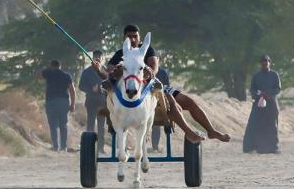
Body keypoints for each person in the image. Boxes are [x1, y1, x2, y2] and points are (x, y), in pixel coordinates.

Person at [91, 24, 231, 145]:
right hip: (131, 92)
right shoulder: (120, 54)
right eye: (129, 37)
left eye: (135, 36)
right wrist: (98, 70)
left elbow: (154, 68)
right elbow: (108, 74)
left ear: (139, 38)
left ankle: (211, 131)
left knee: (189, 102)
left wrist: (147, 73)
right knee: (170, 100)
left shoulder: (147, 49)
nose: (133, 39)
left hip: (151, 86)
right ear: (124, 39)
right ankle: (188, 132)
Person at [243, 55, 282, 154]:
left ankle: (273, 148)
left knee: (272, 125)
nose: (265, 63)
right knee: (254, 124)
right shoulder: (256, 76)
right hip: (258, 104)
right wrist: (259, 94)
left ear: (270, 62)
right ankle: (251, 147)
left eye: (266, 61)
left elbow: (278, 88)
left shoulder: (274, 75)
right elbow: (252, 89)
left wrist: (268, 93)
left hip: (271, 104)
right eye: (263, 62)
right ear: (260, 63)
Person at [40, 59, 76, 152]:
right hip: (63, 102)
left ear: (51, 66)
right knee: (63, 125)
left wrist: (46, 69)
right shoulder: (66, 75)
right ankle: (64, 147)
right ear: (60, 66)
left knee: (53, 125)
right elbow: (72, 90)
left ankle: (56, 147)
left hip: (51, 102)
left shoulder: (48, 73)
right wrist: (72, 104)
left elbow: (37, 76)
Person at [78, 49, 107, 140]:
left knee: (101, 125)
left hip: (103, 102)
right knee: (90, 123)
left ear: (102, 58)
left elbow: (112, 86)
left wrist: (102, 89)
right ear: (92, 58)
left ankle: (101, 147)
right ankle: (90, 144)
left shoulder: (106, 71)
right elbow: (81, 86)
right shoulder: (87, 72)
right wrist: (91, 90)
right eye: (96, 56)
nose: (98, 58)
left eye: (100, 56)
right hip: (91, 101)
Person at [149, 54, 172, 152]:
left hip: (159, 101)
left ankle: (155, 147)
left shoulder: (163, 73)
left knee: (156, 126)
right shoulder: (146, 72)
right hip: (148, 100)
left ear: (158, 60)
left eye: (156, 59)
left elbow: (167, 87)